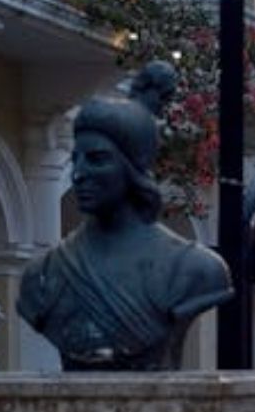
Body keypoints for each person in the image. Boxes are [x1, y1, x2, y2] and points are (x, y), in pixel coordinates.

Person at [18, 61, 233, 371]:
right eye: (76, 159)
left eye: (97, 159)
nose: (79, 173)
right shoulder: (42, 276)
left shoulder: (195, 270)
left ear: (134, 168)